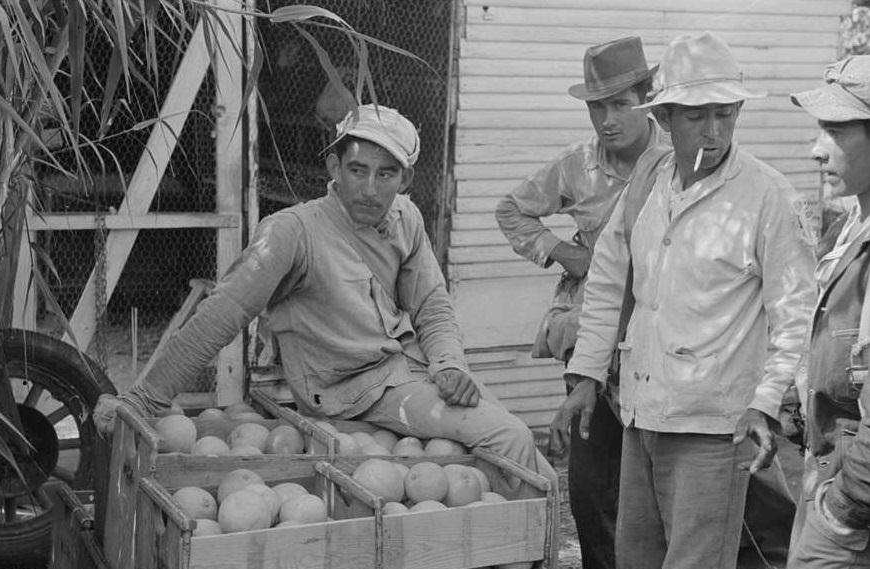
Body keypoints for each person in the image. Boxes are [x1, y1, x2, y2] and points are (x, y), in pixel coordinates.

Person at [94, 103, 555, 498]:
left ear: (405, 178)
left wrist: (450, 364)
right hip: (354, 393)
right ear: (334, 167)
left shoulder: (405, 218)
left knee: (543, 470)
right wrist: (142, 401)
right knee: (512, 437)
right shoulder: (292, 232)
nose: (370, 189)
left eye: (386, 174)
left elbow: (432, 305)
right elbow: (221, 314)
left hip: (408, 373)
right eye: (357, 170)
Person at [553, 32, 817, 569]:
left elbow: (795, 312)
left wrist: (767, 402)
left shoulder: (767, 195)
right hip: (641, 411)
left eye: (726, 113)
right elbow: (607, 278)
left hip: (713, 424)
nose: (714, 131)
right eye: (697, 115)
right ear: (666, 118)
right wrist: (587, 374)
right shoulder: (648, 182)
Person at [495, 35, 663, 569]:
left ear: (649, 99)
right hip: (591, 340)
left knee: (656, 477)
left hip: (657, 341)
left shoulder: (674, 161)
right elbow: (512, 210)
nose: (609, 119)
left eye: (621, 103)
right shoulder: (576, 165)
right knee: (592, 480)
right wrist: (563, 252)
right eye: (598, 107)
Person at [777, 55, 870, 569]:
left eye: (835, 130)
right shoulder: (852, 226)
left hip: (853, 510)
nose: (817, 149)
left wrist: (844, 507)